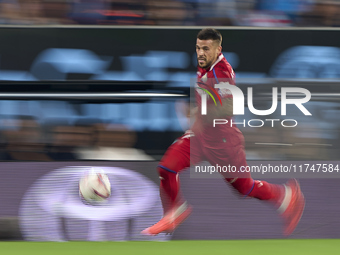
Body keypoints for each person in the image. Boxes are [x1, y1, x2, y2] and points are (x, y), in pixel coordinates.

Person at [142, 28, 305, 236]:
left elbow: (230, 106)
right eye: (198, 48)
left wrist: (201, 115)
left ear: (218, 49)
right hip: (200, 138)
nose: (200, 53)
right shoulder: (205, 66)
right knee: (166, 168)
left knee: (244, 188)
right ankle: (174, 212)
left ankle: (286, 196)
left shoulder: (222, 72)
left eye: (206, 49)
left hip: (223, 142)